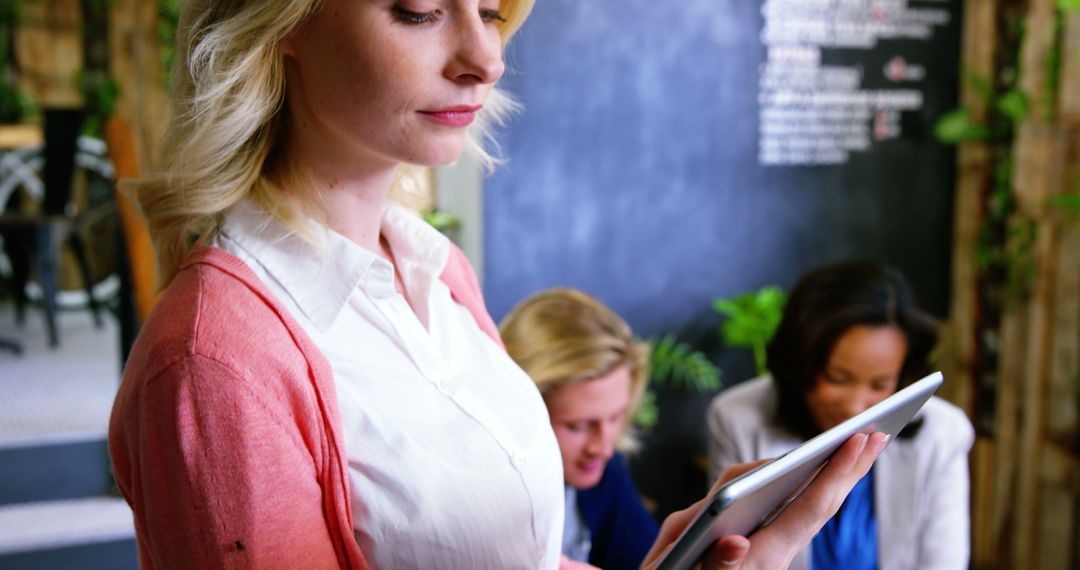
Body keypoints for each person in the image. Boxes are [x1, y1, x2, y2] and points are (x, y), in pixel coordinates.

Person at [108, 0, 888, 567]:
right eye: (419, 11)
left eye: (490, 9)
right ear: (282, 22)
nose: (487, 58)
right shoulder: (215, 364)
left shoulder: (438, 273)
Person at [706, 260, 975, 570]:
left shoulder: (944, 433)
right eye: (837, 378)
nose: (855, 406)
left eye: (880, 384)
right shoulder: (736, 418)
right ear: (801, 362)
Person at [499, 287, 658, 569]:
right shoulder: (483, 506)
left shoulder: (604, 473)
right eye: (578, 426)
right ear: (517, 412)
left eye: (616, 417)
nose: (605, 448)